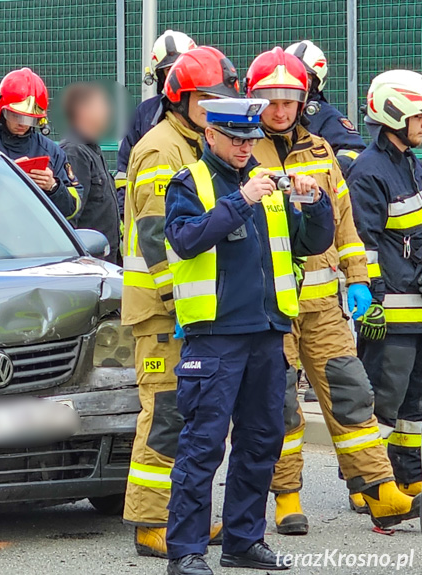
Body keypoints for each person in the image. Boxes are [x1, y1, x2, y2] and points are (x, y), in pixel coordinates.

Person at [248, 47, 420, 536]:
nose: (280, 111)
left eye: (290, 101)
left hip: (323, 305)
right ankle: (287, 497)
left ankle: (378, 487)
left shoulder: (321, 151)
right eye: (271, 101)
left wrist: (360, 280)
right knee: (279, 405)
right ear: (253, 100)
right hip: (270, 306)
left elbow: (346, 226)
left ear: (305, 101)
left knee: (352, 393)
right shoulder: (240, 149)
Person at [164, 97, 335, 575]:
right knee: (203, 444)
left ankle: (243, 541)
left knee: (261, 441)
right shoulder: (190, 182)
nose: (245, 148)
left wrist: (316, 203)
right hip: (216, 335)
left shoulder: (268, 184)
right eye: (236, 140)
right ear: (211, 135)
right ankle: (187, 551)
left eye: (250, 140)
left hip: (267, 331)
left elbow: (310, 243)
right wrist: (242, 199)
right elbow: (185, 239)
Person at [122, 46, 238, 559]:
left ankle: (173, 515)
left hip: (187, 307)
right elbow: (153, 237)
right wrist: (177, 303)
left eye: (220, 96)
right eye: (205, 97)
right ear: (181, 98)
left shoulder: (192, 143)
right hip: (163, 309)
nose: (215, 104)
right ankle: (152, 523)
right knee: (166, 411)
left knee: (185, 413)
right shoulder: (161, 149)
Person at [349, 70, 422, 507]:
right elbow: (365, 241)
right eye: (419, 115)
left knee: (414, 404)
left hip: (414, 308)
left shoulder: (409, 164)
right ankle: (367, 485)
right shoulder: (370, 171)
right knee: (380, 403)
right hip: (389, 311)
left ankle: (408, 478)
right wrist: (371, 300)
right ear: (395, 113)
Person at [0, 68, 81, 220]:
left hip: (39, 238)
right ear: (0, 111)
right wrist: (5, 176)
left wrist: (53, 187)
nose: (22, 124)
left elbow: (72, 209)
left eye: (30, 119)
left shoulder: (51, 151)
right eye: (15, 116)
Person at [116, 30, 197, 216]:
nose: (177, 75)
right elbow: (124, 171)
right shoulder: (144, 113)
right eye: (170, 70)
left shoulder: (206, 111)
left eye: (182, 67)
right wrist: (123, 213)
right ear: (159, 75)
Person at [60, 82, 120, 262]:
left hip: (105, 262)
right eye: (101, 107)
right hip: (89, 265)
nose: (107, 113)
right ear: (82, 111)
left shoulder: (91, 149)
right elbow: (71, 215)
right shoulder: (75, 152)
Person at [286, 40, 366, 174]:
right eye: (289, 76)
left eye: (303, 78)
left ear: (316, 82)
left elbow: (355, 152)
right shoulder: (270, 111)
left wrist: (324, 174)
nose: (295, 84)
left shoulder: (326, 117)